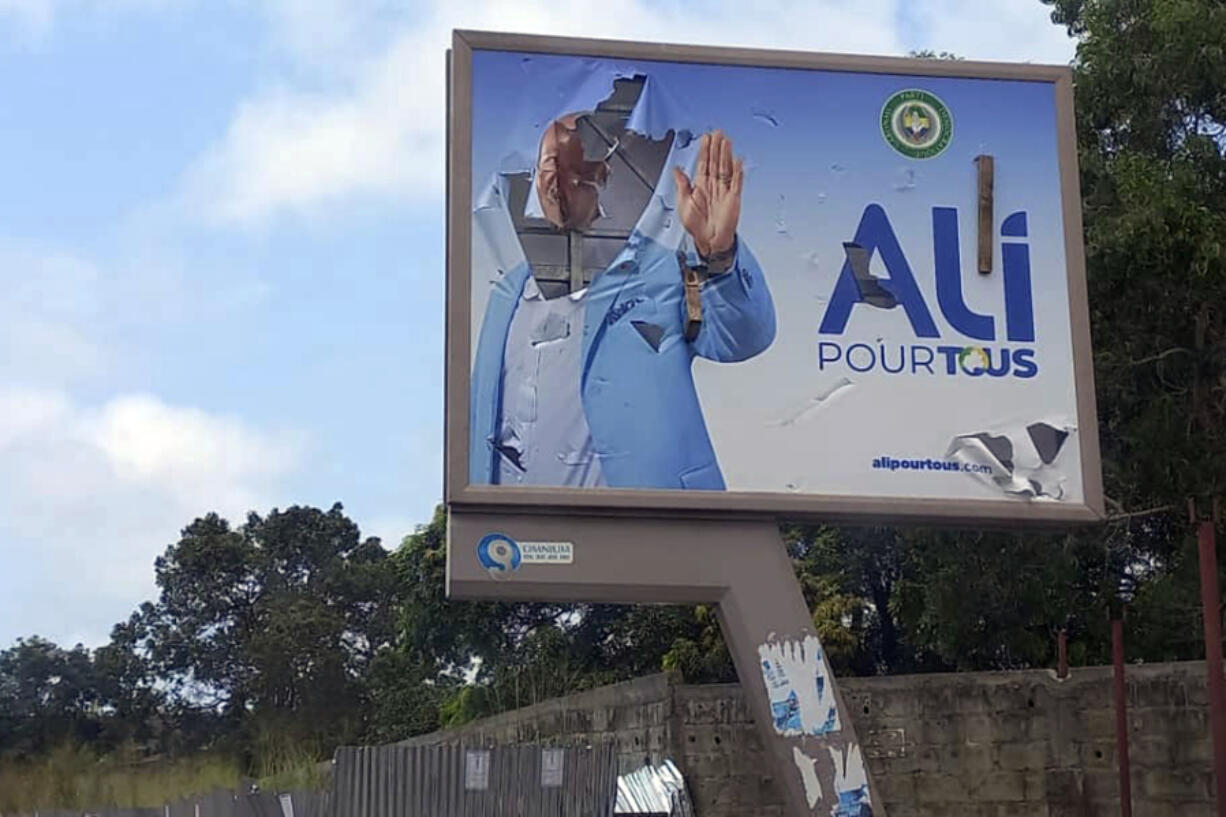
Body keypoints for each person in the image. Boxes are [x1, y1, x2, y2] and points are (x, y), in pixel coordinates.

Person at [469, 86, 775, 491]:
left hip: (651, 532)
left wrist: (718, 256)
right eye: (546, 170)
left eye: (573, 173)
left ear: (604, 177)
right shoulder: (507, 292)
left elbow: (743, 339)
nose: (555, 185)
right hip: (522, 541)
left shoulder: (663, 271)